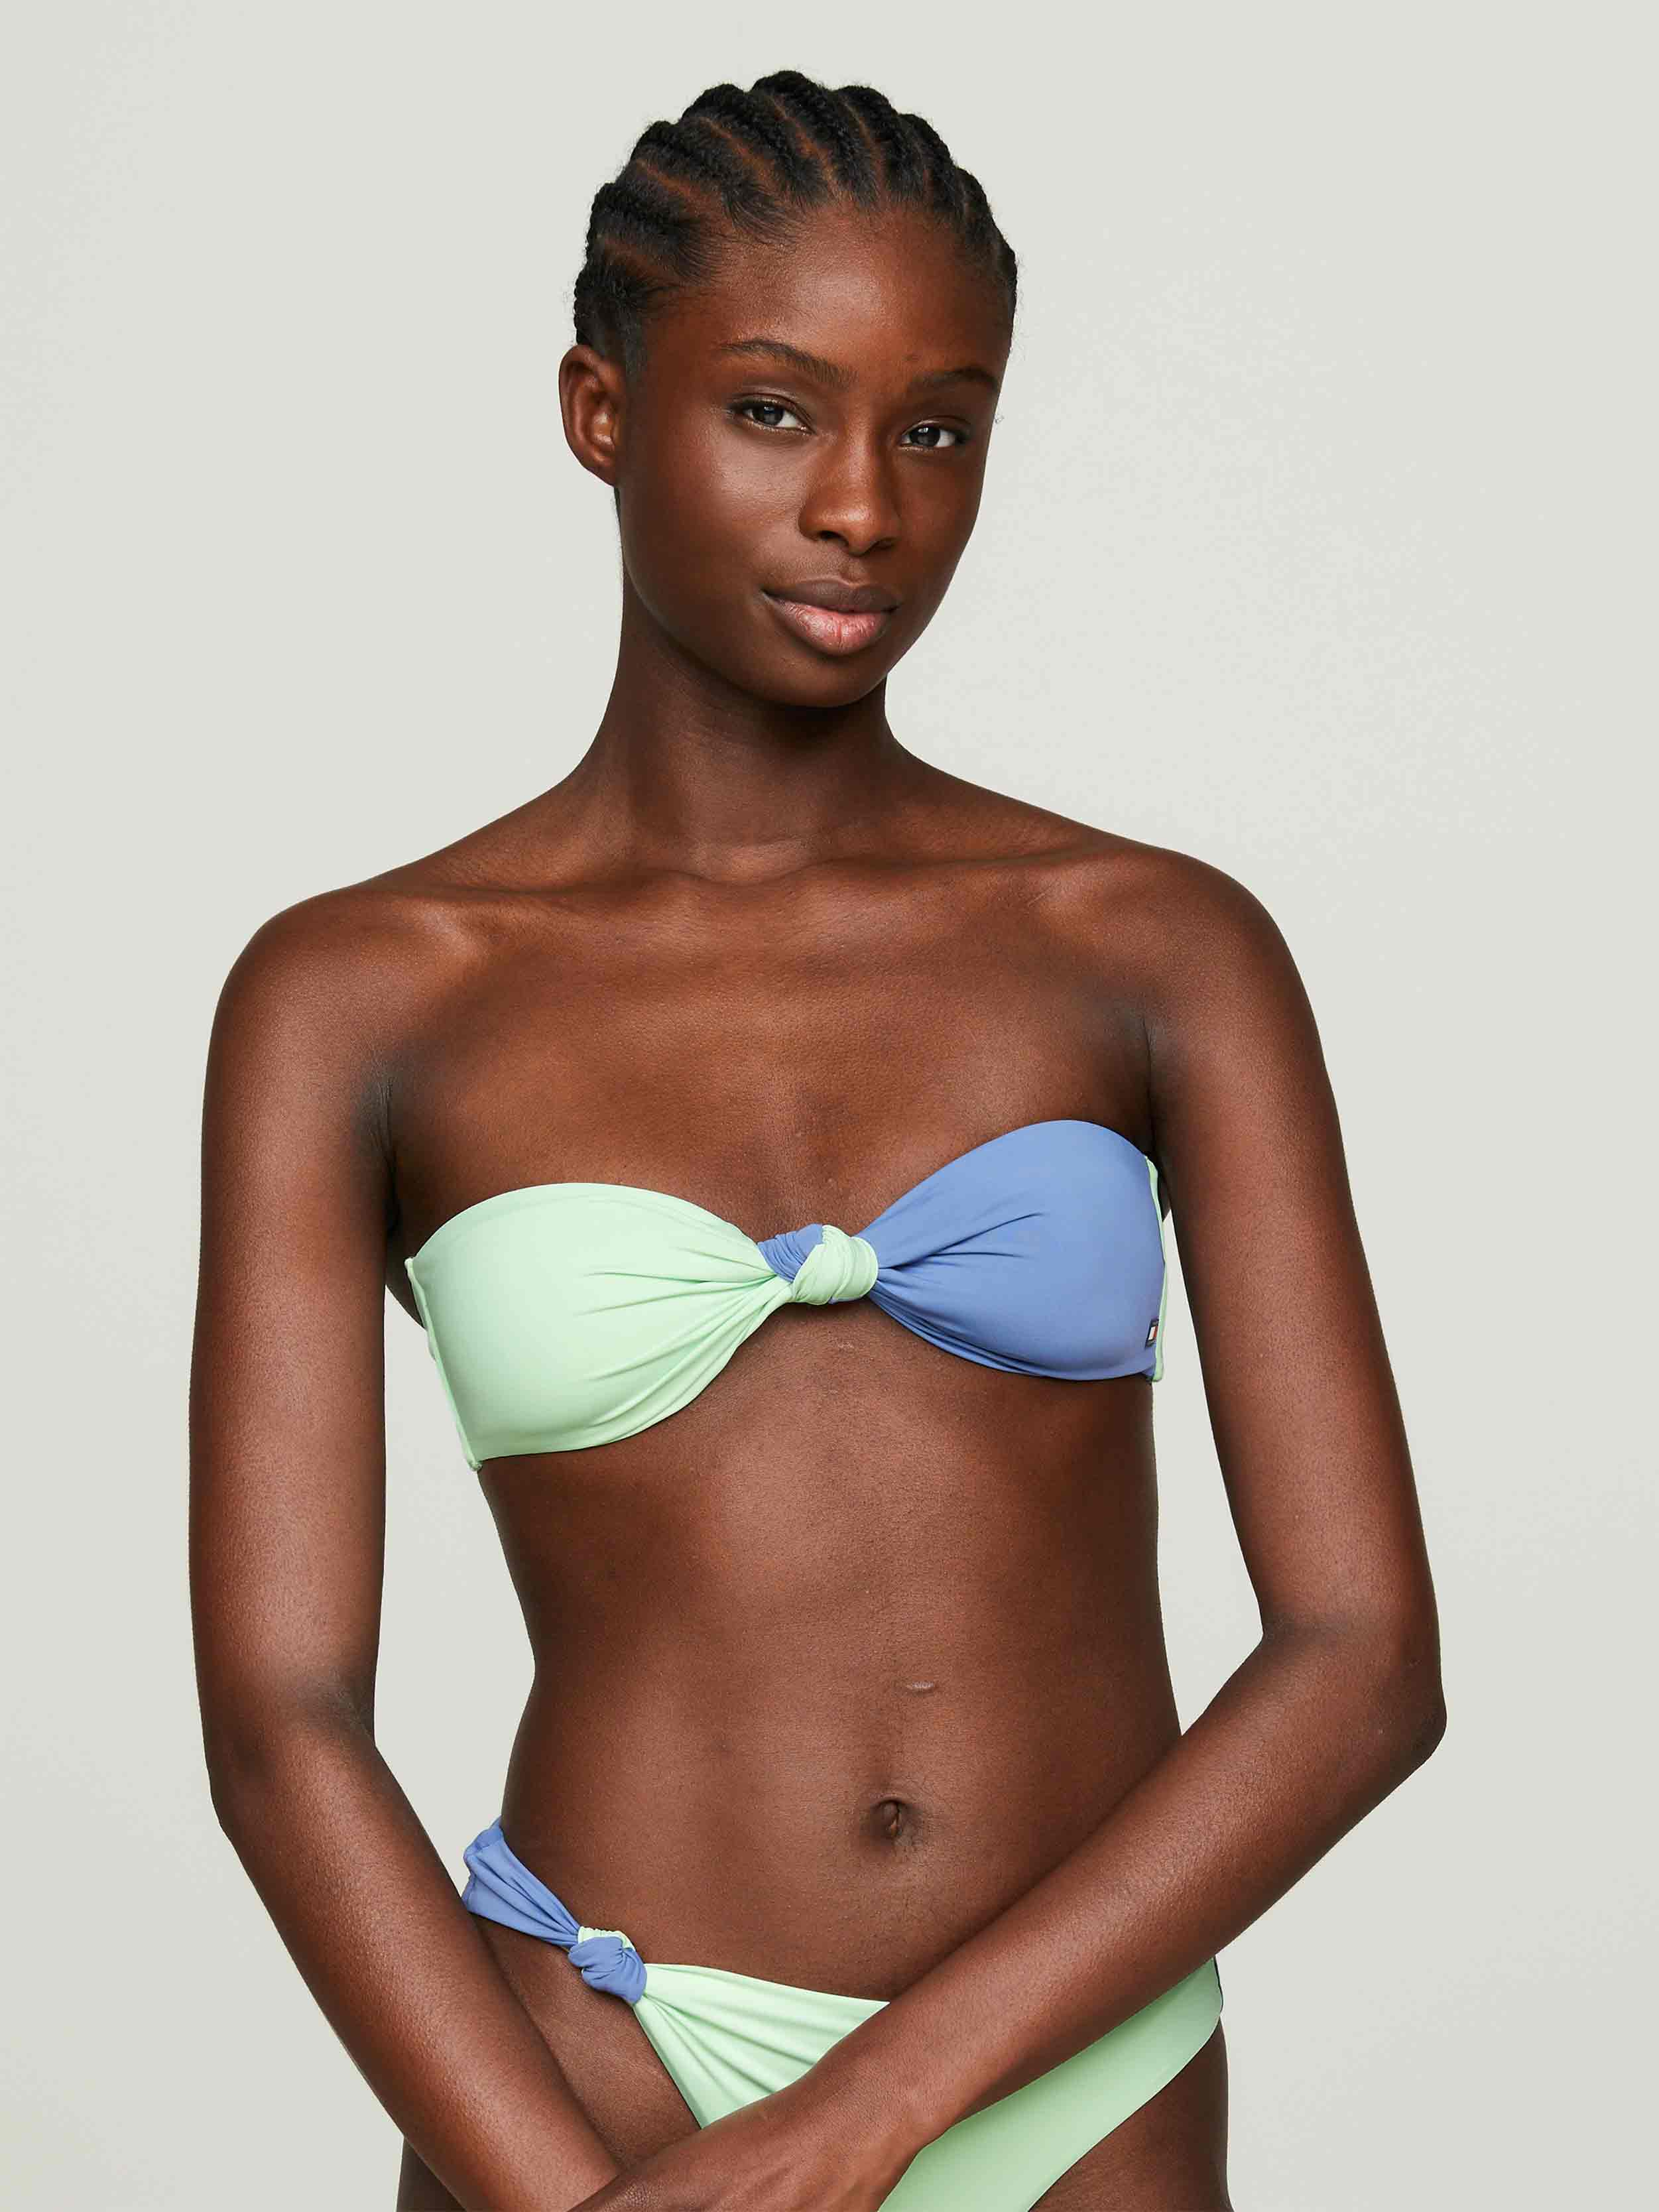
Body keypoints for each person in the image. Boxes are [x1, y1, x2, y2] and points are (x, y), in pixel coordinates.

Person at [189, 68, 1445, 2212]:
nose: (865, 506)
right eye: (775, 411)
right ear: (602, 409)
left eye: (939, 429)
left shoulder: (1154, 951)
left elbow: (1365, 1663)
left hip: (1073, 2082)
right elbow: (281, 1716)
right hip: (586, 2076)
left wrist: (864, 2120)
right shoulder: (360, 998)